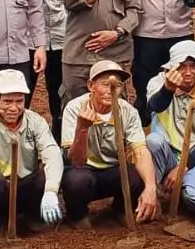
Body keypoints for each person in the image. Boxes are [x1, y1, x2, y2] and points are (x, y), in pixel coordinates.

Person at [61, 61, 160, 228]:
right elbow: (76, 161)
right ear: (91, 85)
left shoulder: (128, 111)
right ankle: (77, 215)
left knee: (138, 175)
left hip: (113, 170)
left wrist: (151, 187)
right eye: (105, 84)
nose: (111, 90)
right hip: (85, 171)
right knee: (75, 179)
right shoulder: (74, 108)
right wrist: (82, 129)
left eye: (117, 85)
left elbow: (141, 151)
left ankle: (121, 209)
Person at [0, 69, 65, 237]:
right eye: (7, 101)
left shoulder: (35, 121)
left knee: (45, 174)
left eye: (19, 101)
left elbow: (52, 152)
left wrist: (51, 191)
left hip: (25, 188)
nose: (14, 108)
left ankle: (35, 218)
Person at [144, 40, 195, 217]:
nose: (188, 72)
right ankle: (154, 194)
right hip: (164, 155)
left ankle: (182, 194)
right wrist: (168, 89)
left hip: (194, 158)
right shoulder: (158, 82)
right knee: (152, 141)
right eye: (181, 66)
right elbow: (155, 106)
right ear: (171, 68)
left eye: (193, 66)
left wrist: (183, 167)